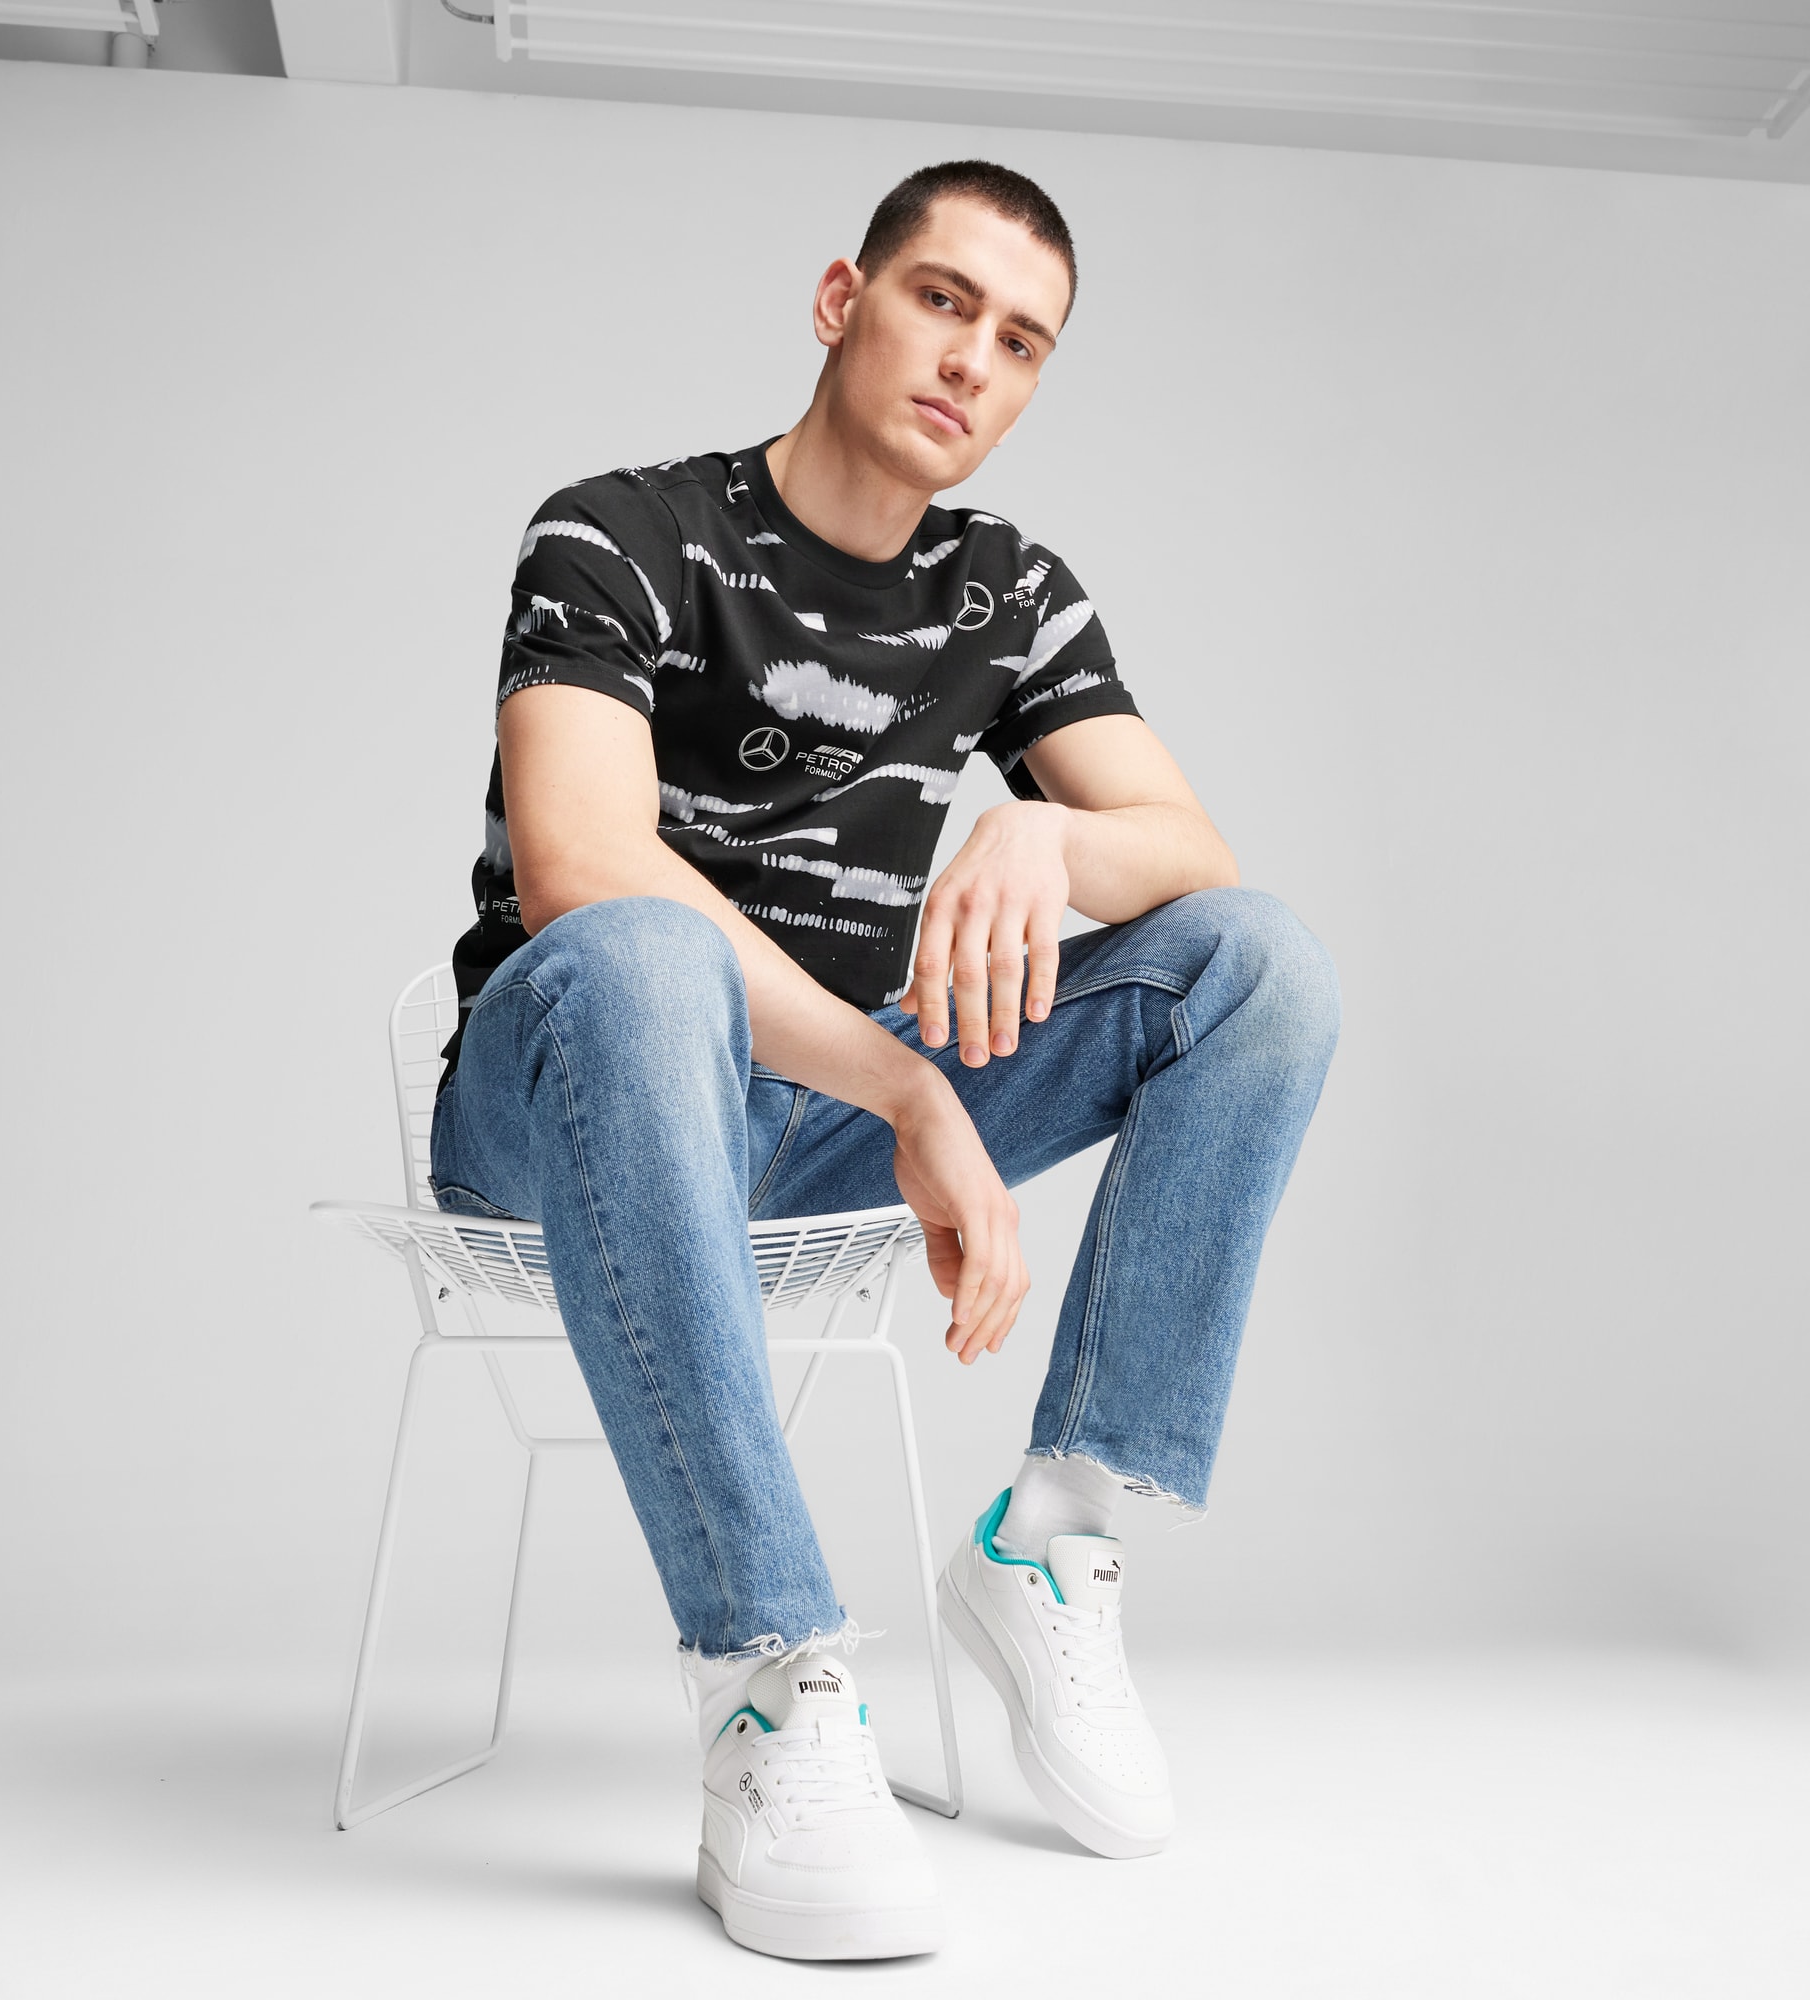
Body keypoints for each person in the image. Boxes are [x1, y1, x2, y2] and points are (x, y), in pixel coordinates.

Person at [430, 159, 1341, 1961]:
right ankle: (771, 1681)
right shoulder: (619, 533)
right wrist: (916, 1089)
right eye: (942, 301)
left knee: (1261, 967)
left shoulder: (1009, 596)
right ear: (843, 301)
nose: (973, 359)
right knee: (644, 955)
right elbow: (582, 866)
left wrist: (1043, 836)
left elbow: (1193, 856)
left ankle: (1052, 1543)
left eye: (1023, 341)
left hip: (811, 1123)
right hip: (566, 1104)